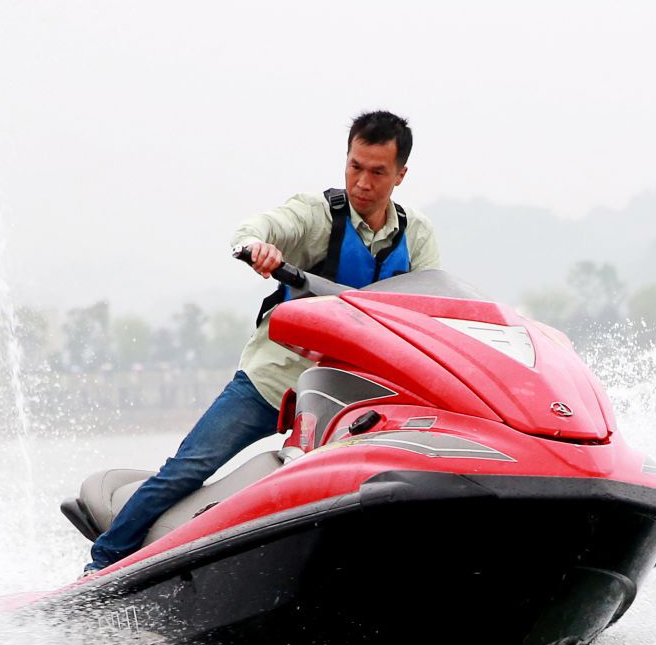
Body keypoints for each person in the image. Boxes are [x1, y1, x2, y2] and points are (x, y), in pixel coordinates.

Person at [80, 109, 439, 572]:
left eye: (377, 172)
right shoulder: (316, 215)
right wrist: (259, 247)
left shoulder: (418, 236)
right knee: (188, 469)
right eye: (355, 166)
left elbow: (433, 307)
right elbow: (253, 231)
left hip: (350, 402)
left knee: (370, 491)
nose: (362, 183)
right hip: (274, 382)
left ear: (400, 175)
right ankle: (102, 565)